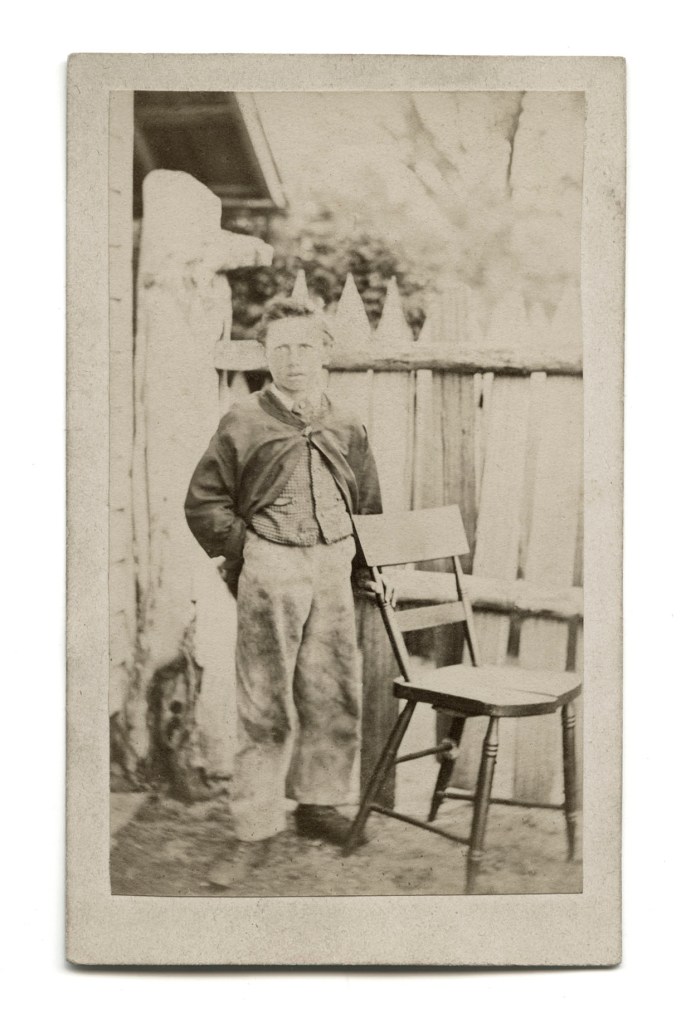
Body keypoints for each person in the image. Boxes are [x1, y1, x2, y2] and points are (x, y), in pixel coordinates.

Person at [184, 297, 394, 887]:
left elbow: (368, 504)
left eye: (305, 346)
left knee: (332, 691)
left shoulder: (345, 422)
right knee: (263, 700)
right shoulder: (243, 419)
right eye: (280, 348)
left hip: (332, 567)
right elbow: (204, 502)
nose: (293, 359)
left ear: (325, 351)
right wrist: (247, 548)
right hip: (270, 567)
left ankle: (318, 804)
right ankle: (255, 824)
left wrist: (362, 569)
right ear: (265, 356)